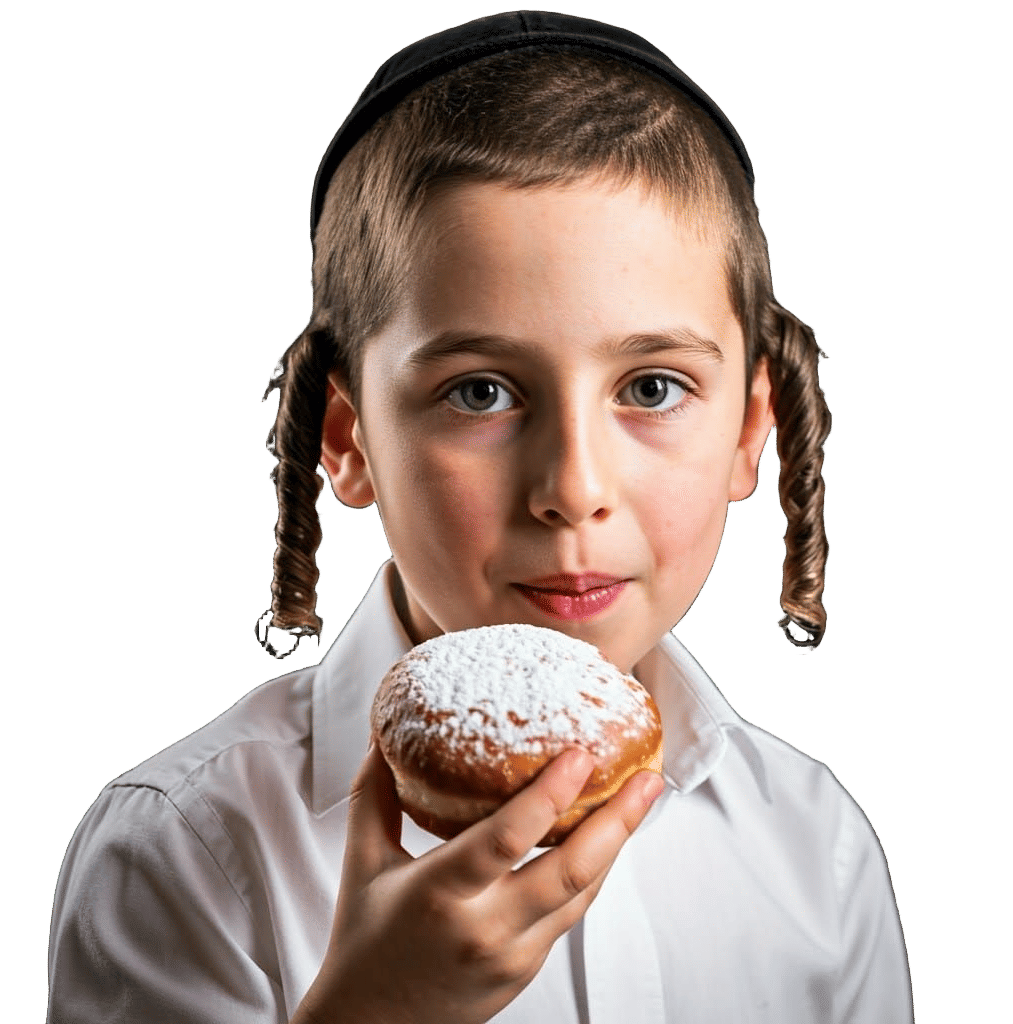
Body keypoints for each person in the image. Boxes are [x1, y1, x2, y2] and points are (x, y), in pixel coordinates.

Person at [46, 11, 914, 1023]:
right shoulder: (190, 852)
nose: (573, 486)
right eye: (481, 393)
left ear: (746, 432)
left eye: (651, 387)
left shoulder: (814, 846)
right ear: (350, 441)